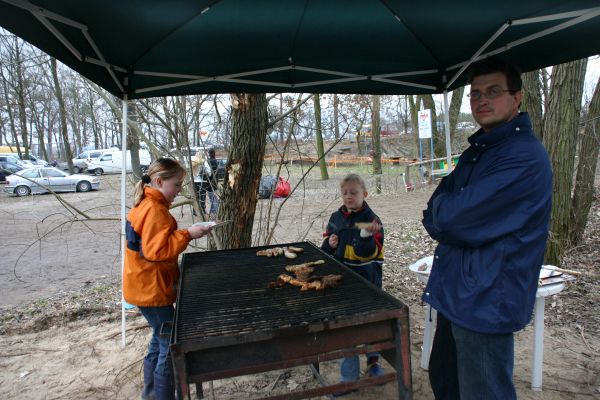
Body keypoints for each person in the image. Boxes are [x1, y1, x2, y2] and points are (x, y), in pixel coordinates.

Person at [421, 57, 552, 399]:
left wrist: (446, 214)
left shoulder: (523, 156)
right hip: (456, 290)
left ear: (517, 97)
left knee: (483, 392)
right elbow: (434, 210)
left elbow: (451, 218)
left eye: (493, 91)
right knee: (445, 382)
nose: (482, 100)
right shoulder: (480, 150)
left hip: (487, 297)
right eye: (476, 94)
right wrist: (446, 213)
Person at [123, 158, 212, 400]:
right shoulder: (153, 210)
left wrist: (185, 233)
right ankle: (161, 395)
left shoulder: (148, 203)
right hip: (150, 288)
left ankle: (151, 393)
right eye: (177, 184)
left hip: (143, 285)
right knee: (169, 342)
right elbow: (157, 251)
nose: (179, 190)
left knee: (159, 335)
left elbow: (152, 245)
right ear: (159, 181)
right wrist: (188, 234)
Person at [321, 173, 385, 395]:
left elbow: (368, 255)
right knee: (346, 327)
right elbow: (326, 251)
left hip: (368, 283)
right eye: (345, 193)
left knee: (369, 324)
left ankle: (374, 363)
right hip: (343, 283)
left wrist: (365, 236)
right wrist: (329, 244)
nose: (348, 196)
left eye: (354, 193)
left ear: (364, 194)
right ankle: (348, 379)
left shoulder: (372, 220)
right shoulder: (336, 218)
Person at [196, 148, 220, 217]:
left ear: (209, 154)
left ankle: (214, 212)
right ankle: (213, 211)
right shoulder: (215, 161)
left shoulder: (208, 161)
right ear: (214, 153)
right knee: (213, 197)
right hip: (214, 182)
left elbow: (204, 173)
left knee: (212, 197)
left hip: (210, 182)